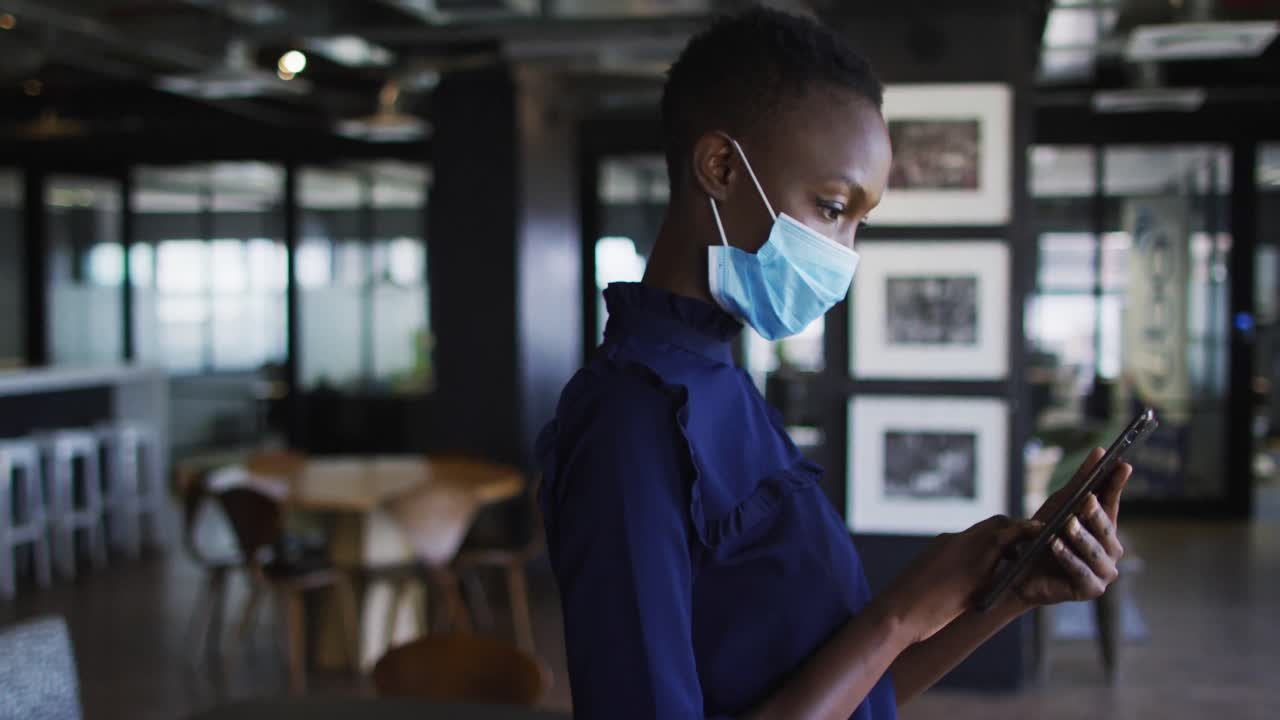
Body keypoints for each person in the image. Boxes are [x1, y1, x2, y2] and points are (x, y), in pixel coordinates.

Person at [536, 7, 1131, 719]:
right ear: (721, 167)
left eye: (859, 223)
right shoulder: (629, 417)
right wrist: (899, 615)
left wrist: (1006, 598)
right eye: (830, 206)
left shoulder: (722, 382)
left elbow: (855, 695)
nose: (843, 252)